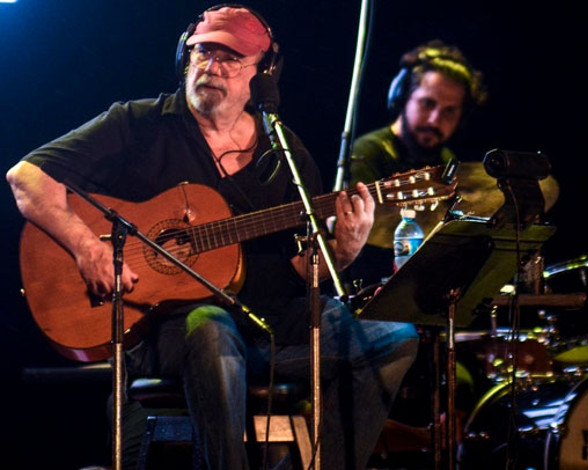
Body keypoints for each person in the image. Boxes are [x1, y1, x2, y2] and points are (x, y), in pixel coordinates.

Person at [6, 4, 418, 470]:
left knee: (392, 338)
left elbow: (297, 273)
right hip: (163, 329)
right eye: (203, 52)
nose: (211, 68)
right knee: (209, 325)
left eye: (230, 58)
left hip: (265, 330)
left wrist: (340, 254)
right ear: (185, 55)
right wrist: (87, 248)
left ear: (262, 74)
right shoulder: (139, 124)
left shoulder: (286, 154)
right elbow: (27, 175)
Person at [347, 39, 488, 288]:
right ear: (403, 98)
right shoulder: (368, 152)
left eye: (449, 111)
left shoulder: (447, 161)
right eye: (428, 103)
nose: (435, 119)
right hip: (374, 291)